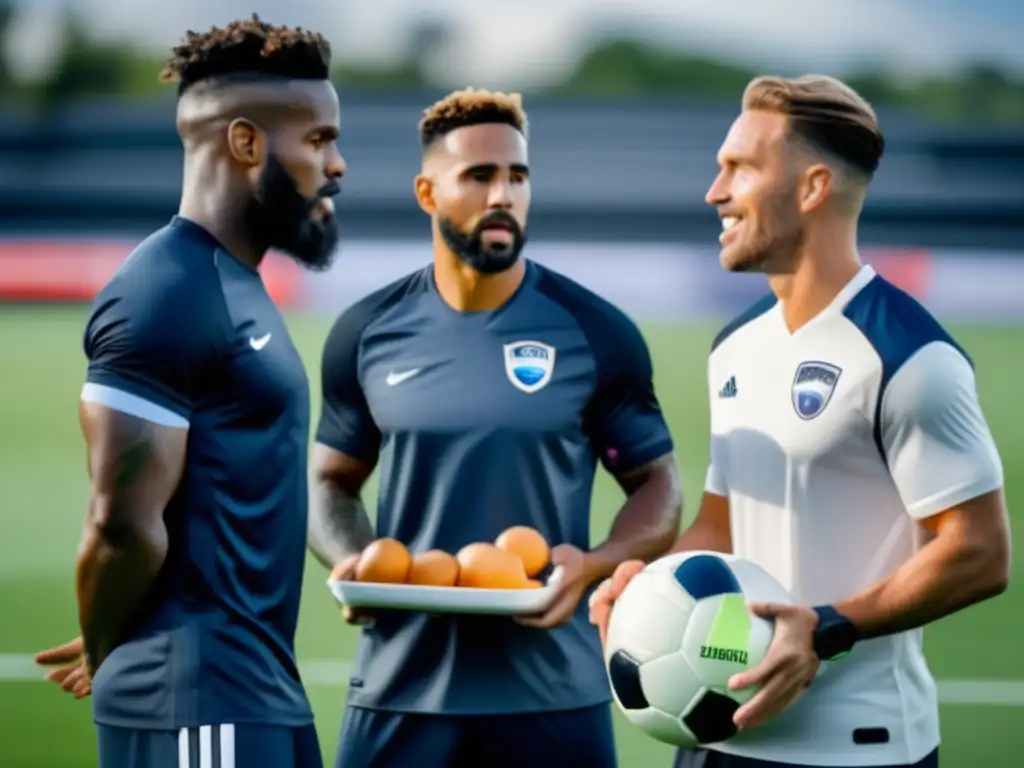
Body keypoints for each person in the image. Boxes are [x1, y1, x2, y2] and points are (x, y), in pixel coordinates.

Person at [589, 74, 1011, 768]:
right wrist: (646, 583)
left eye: (739, 169)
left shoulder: (909, 355)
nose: (714, 192)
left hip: (858, 749)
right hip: (716, 730)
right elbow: (722, 527)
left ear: (812, 187)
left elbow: (980, 552)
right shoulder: (735, 345)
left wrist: (826, 629)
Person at [307, 87, 683, 768]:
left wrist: (594, 565)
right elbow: (328, 483)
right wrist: (353, 562)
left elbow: (659, 486)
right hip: (400, 690)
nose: (503, 194)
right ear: (428, 193)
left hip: (554, 694)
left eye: (517, 176)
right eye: (480, 176)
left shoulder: (596, 332)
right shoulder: (365, 333)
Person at [32, 15, 345, 768]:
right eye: (318, 140)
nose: (335, 165)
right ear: (245, 143)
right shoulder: (164, 293)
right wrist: (118, 650)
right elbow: (119, 526)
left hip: (252, 690)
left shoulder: (233, 284)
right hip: (199, 703)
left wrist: (128, 627)